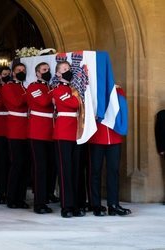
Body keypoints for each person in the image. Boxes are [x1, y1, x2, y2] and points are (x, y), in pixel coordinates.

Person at [88, 84, 131, 216]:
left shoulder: (118, 90)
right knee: (95, 171)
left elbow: (122, 109)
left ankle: (113, 204)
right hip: (97, 136)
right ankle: (95, 205)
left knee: (113, 171)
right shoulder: (92, 90)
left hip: (114, 136)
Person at [52, 61, 85, 218]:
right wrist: (76, 97)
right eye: (64, 70)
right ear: (58, 74)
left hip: (75, 132)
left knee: (76, 169)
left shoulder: (73, 89)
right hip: (63, 132)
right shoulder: (58, 90)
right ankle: (67, 206)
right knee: (65, 170)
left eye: (69, 69)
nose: (67, 71)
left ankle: (77, 204)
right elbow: (73, 104)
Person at [27, 62, 55, 214]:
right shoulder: (34, 87)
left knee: (50, 167)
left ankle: (47, 196)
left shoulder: (50, 88)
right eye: (44, 70)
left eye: (48, 70)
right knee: (40, 168)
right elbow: (44, 102)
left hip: (51, 132)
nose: (47, 72)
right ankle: (39, 203)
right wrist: (54, 92)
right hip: (38, 132)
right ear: (37, 73)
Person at [1, 62, 30, 209]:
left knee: (25, 165)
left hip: (26, 128)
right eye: (19, 70)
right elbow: (17, 102)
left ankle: (21, 198)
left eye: (24, 70)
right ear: (13, 73)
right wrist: (29, 94)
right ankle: (11, 197)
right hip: (15, 128)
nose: (21, 72)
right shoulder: (7, 87)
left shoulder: (24, 87)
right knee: (16, 164)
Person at [0, 66, 11, 204]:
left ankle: (10, 191)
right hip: (0, 129)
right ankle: (1, 193)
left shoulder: (10, 88)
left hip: (11, 128)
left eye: (8, 74)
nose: (6, 76)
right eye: (4, 74)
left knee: (12, 162)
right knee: (1, 163)